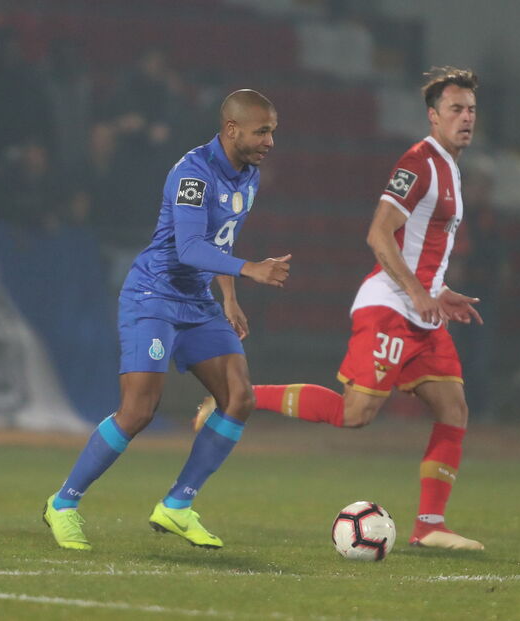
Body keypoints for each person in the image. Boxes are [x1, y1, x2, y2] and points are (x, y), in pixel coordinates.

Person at [197, 67, 486, 550]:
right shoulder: (420, 162)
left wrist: (438, 288)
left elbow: (420, 244)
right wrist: (417, 291)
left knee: (453, 408)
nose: (466, 117)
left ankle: (430, 526)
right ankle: (236, 395)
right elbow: (378, 234)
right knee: (355, 414)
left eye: (471, 109)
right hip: (392, 308)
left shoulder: (452, 167)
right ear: (433, 117)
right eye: (456, 109)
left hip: (421, 308)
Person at [42, 90, 291, 551]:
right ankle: (62, 504)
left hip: (198, 302)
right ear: (232, 129)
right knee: (138, 411)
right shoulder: (192, 173)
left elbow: (220, 241)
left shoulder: (249, 176)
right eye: (263, 131)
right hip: (153, 296)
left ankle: (176, 506)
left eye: (273, 130)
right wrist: (250, 269)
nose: (270, 140)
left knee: (239, 396)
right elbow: (188, 248)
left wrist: (230, 296)